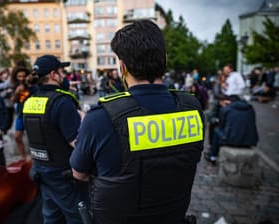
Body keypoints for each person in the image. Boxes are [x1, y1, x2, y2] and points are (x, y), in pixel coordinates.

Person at [70, 20, 205, 224]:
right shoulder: (192, 107)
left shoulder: (101, 117)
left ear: (122, 66)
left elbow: (78, 174)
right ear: (165, 60)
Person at [22, 55, 85, 224]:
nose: (64, 75)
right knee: (78, 217)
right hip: (63, 173)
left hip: (41, 169)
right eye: (61, 71)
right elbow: (77, 144)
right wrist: (86, 121)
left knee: (52, 216)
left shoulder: (30, 101)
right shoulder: (62, 102)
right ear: (53, 75)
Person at [204, 95, 259, 165]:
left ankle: (212, 156)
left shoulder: (226, 109)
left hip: (231, 139)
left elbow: (221, 125)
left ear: (228, 101)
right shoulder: (250, 108)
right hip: (251, 140)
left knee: (217, 131)